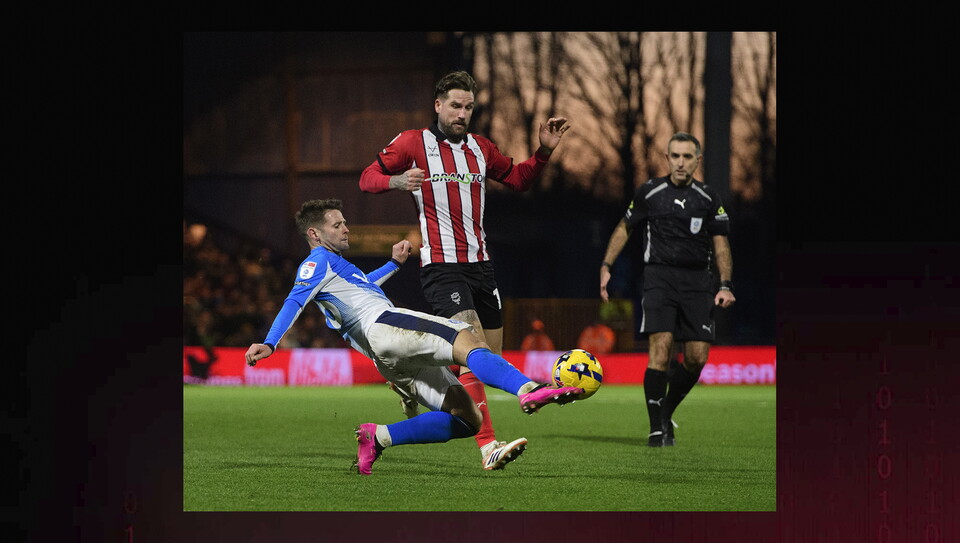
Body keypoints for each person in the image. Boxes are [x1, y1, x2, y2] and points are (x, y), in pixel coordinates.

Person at [244, 199, 584, 475]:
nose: (346, 228)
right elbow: (295, 301)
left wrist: (394, 263)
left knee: (468, 418)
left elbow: (364, 285)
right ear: (315, 234)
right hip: (385, 326)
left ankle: (378, 437)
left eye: (345, 222)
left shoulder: (335, 268)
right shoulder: (316, 262)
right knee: (467, 340)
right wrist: (270, 342)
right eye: (337, 225)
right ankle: (528, 390)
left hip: (385, 357)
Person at [359, 70, 571, 467]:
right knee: (472, 348)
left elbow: (518, 180)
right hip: (442, 267)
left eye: (469, 107)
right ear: (438, 105)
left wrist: (543, 152)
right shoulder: (413, 143)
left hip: (482, 267)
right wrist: (397, 182)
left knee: (487, 359)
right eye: (455, 105)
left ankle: (410, 376)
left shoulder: (480, 148)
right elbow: (367, 178)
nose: (462, 113)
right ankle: (489, 447)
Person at [598, 132, 735, 447]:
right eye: (675, 156)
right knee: (660, 350)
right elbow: (624, 227)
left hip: (698, 282)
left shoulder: (708, 197)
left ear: (697, 161)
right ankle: (656, 429)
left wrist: (725, 284)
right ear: (667, 158)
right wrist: (606, 265)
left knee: (697, 357)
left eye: (687, 156)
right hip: (659, 278)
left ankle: (666, 410)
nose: (680, 163)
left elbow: (721, 244)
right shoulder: (650, 191)